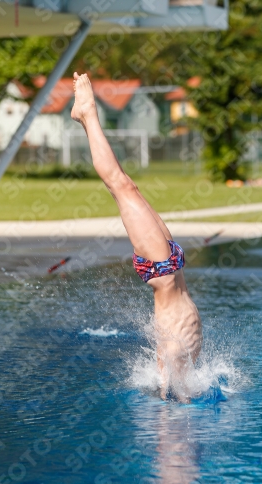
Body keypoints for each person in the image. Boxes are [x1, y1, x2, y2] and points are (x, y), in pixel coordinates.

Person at [71, 72, 202, 402]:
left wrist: (171, 390)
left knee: (122, 186)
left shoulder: (173, 378)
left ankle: (88, 114)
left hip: (163, 269)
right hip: (171, 264)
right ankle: (85, 117)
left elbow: (169, 356)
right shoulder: (182, 377)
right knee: (127, 186)